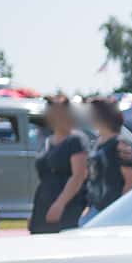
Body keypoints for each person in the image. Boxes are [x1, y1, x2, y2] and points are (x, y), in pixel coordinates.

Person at [29, 95, 89, 233]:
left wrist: (60, 204)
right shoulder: (47, 141)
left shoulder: (76, 140)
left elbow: (79, 175)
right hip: (43, 204)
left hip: (67, 207)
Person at [83, 97, 132, 217]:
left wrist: (119, 211)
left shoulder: (121, 144)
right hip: (96, 209)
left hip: (114, 211)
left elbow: (131, 182)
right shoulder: (97, 144)